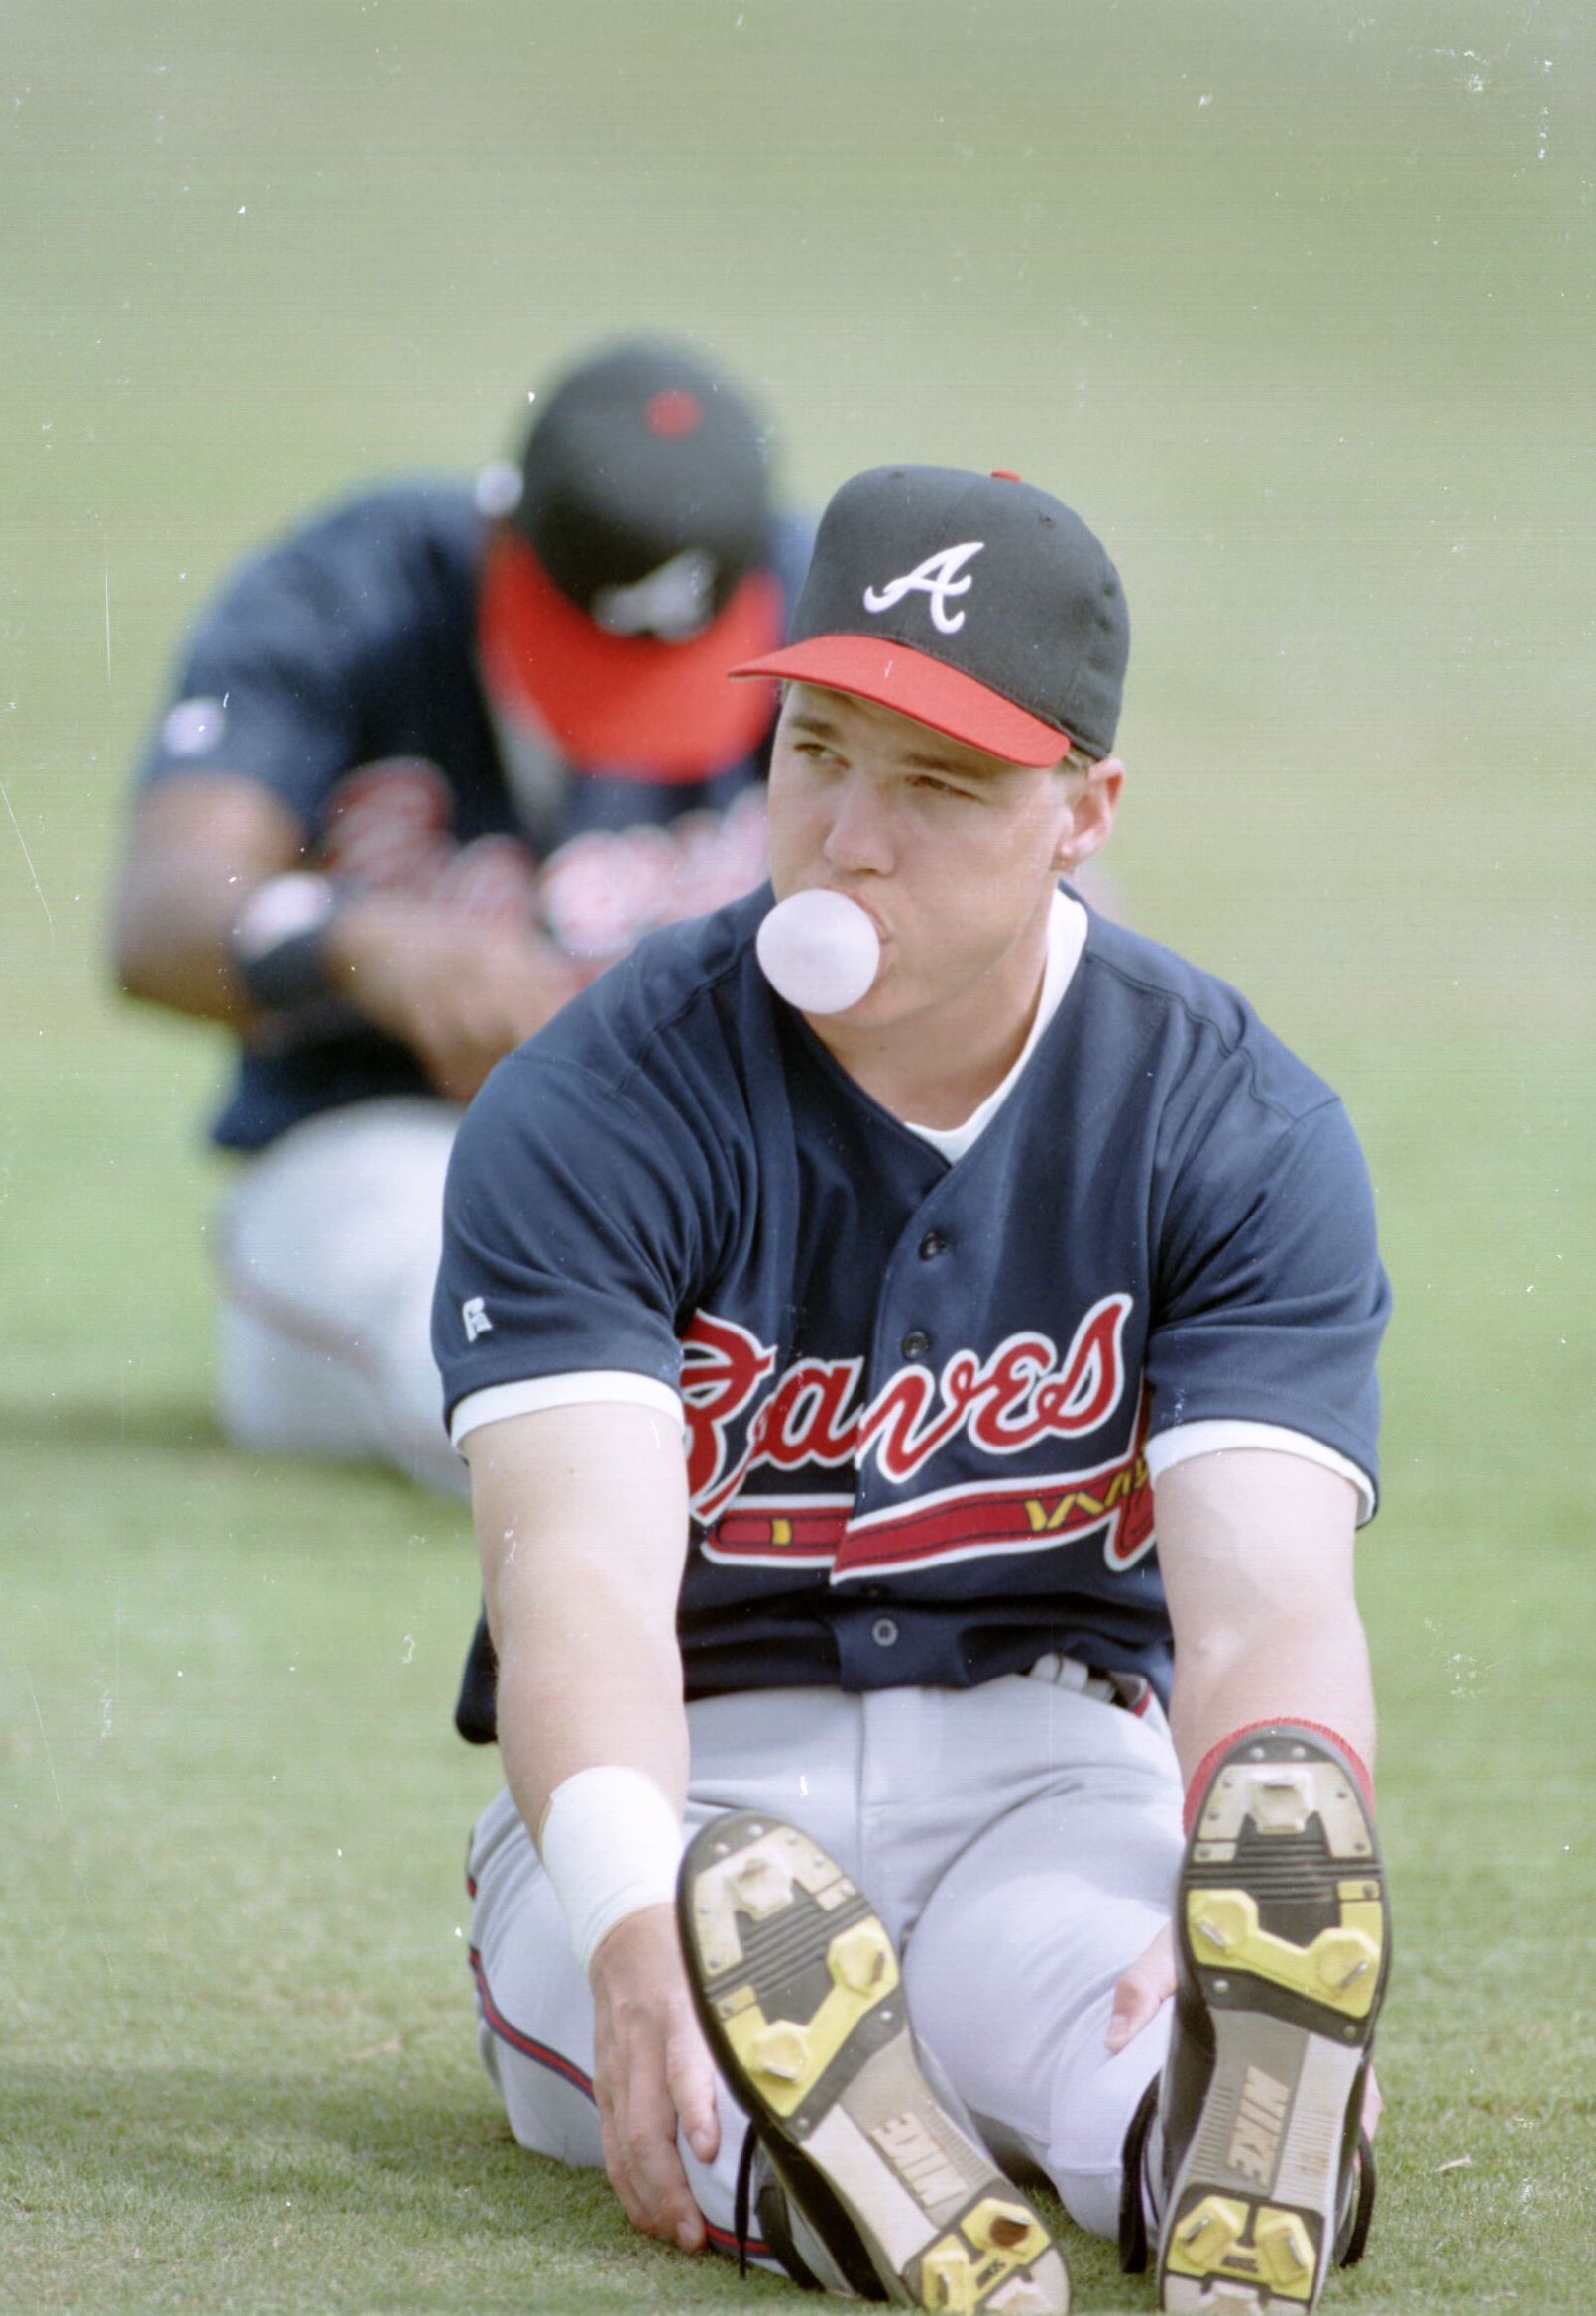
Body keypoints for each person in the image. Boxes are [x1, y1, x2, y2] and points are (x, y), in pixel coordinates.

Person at [435, 463, 1392, 2312]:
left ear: (1085, 812)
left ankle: (1186, 2115)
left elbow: (1267, 1602)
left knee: (1094, 1986)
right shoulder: (602, 1093)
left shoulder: (1228, 1122)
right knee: (699, 2006)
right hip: (686, 1785)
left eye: (940, 782)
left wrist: (1228, 1879)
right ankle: (934, 2151)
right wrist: (636, 1921)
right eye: (814, 749)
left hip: (1047, 1754)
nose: (848, 837)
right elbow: (580, 1590)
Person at [113, 337, 811, 1493]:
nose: (616, 714)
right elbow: (163, 912)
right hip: (385, 1153)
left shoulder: (826, 599)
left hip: (714, 1176)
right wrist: (354, 938)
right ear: (500, 539)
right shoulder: (358, 588)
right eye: (586, 653)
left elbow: (1049, 912)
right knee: (500, 1347)